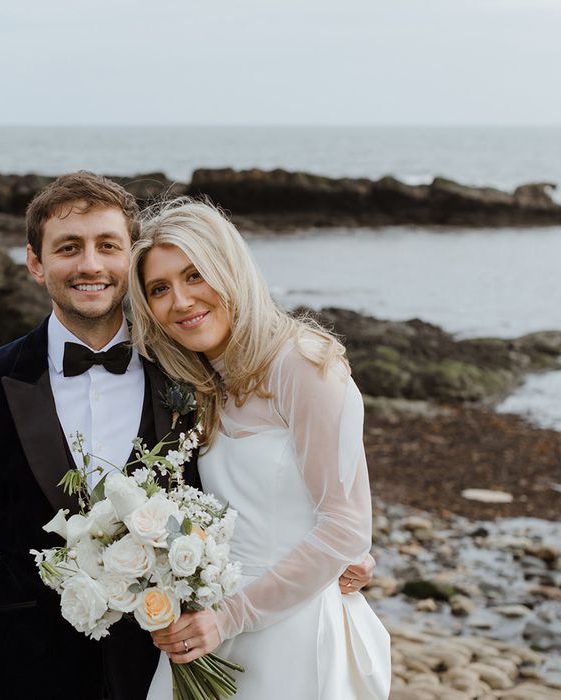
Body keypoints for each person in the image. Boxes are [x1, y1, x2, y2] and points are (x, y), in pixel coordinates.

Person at [0, 173, 201, 700]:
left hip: (160, 675)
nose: (91, 265)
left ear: (131, 259)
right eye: (68, 248)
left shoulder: (189, 379)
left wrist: (343, 550)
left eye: (108, 246)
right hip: (20, 675)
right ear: (35, 262)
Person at [128, 198, 392, 699]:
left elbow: (345, 524)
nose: (180, 300)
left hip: (289, 629)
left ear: (230, 269)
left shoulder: (304, 366)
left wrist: (230, 617)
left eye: (195, 275)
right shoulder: (202, 382)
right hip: (215, 626)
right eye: (159, 289)